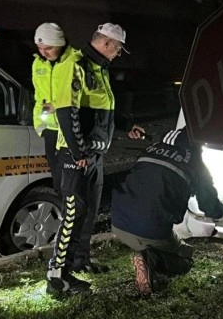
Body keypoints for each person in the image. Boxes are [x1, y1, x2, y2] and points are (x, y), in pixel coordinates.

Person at [46, 23, 147, 296]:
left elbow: (101, 109)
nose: (119, 54)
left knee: (88, 211)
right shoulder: (75, 65)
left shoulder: (98, 68)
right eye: (118, 49)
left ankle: (80, 261)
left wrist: (126, 125)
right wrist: (78, 153)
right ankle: (57, 278)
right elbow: (66, 112)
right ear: (107, 43)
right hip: (76, 156)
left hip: (94, 155)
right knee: (73, 213)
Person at [111, 127, 223, 296]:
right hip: (149, 228)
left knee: (159, 236)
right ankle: (151, 260)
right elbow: (210, 207)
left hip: (118, 221)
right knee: (185, 256)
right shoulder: (195, 162)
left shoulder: (150, 150)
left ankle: (146, 253)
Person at [32, 22, 75, 193]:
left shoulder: (74, 61)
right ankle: (61, 205)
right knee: (57, 178)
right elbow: (38, 96)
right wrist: (40, 125)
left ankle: (73, 206)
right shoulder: (38, 63)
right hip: (50, 130)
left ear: (60, 43)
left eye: (48, 48)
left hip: (69, 128)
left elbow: (83, 94)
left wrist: (57, 106)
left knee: (72, 179)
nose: (43, 52)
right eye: (40, 48)